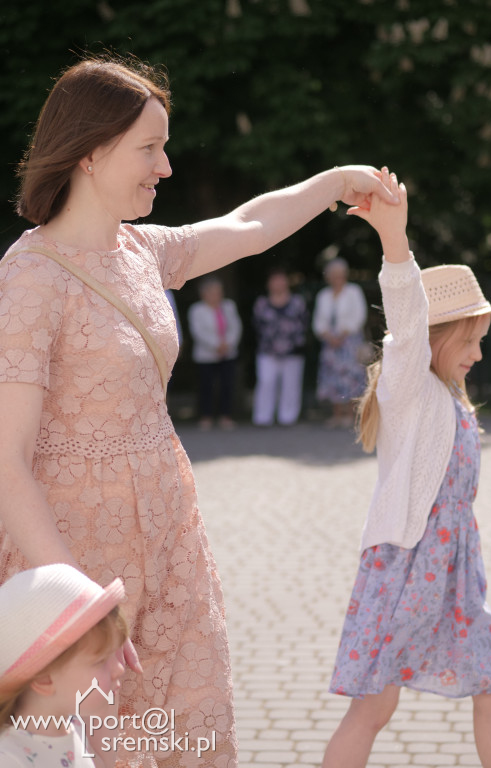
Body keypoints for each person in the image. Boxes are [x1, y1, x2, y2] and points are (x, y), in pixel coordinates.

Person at [0, 54, 397, 768]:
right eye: (149, 148)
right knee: (93, 745)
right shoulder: (30, 277)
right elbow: (7, 463)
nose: (168, 166)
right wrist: (81, 606)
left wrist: (338, 183)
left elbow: (248, 223)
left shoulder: (142, 252)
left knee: (184, 733)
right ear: (90, 153)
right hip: (77, 554)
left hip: (169, 538)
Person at [322, 169, 491, 768]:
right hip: (407, 568)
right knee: (374, 707)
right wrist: (394, 238)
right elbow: (405, 323)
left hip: (455, 574)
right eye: (471, 339)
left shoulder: (450, 395)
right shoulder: (410, 390)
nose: (479, 353)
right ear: (436, 336)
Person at [0, 564, 127, 768]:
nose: (119, 669)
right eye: (101, 661)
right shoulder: (9, 759)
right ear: (44, 679)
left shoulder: (72, 724)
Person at [312, 258, 368, 427]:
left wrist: (342, 334)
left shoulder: (353, 291)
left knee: (350, 378)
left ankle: (350, 416)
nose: (337, 278)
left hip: (349, 341)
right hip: (330, 344)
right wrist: (329, 336)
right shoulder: (323, 296)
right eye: (333, 275)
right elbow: (319, 321)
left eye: (340, 275)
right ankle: (336, 415)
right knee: (333, 379)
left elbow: (359, 315)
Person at [252, 267, 308, 426]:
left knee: (291, 385)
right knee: (266, 382)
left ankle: (288, 418)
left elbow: (303, 324)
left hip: (293, 352)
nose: (278, 283)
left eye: (281, 279)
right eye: (274, 280)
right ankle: (263, 418)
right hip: (267, 351)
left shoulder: (298, 303)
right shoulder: (261, 304)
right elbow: (256, 326)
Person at [188, 277, 242, 430]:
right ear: (203, 294)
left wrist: (228, 344)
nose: (216, 295)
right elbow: (198, 332)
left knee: (227, 385)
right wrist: (216, 345)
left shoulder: (229, 306)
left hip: (228, 353)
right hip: (206, 356)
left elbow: (236, 327)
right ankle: (206, 416)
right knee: (206, 386)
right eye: (212, 292)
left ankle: (226, 416)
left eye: (218, 292)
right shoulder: (196, 310)